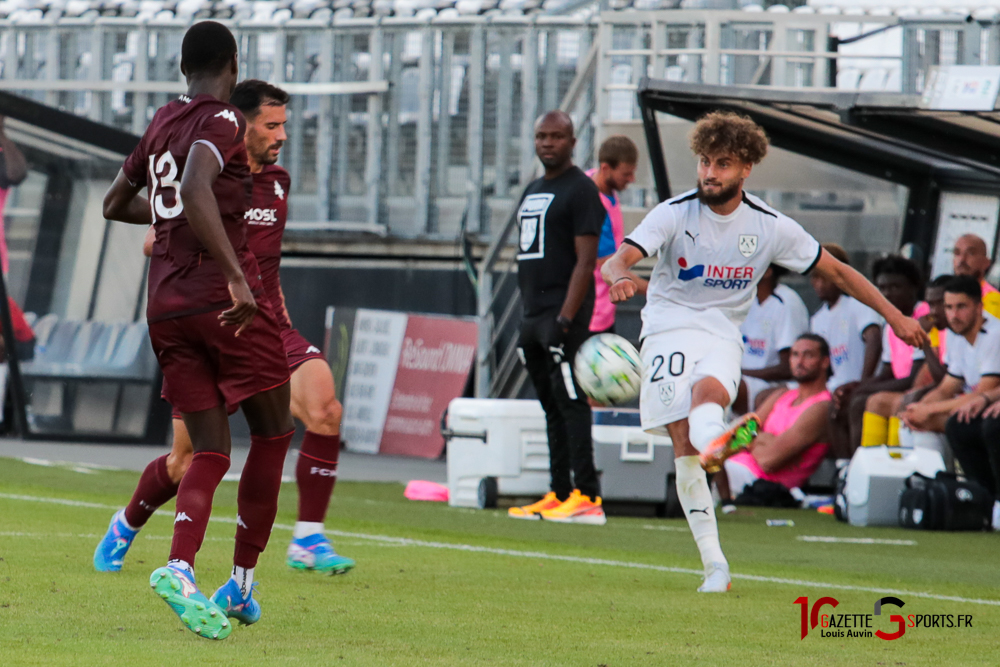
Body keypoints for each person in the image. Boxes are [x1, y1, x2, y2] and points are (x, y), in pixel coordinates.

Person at [601, 111, 926, 593]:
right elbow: (617, 259)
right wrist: (619, 277)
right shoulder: (673, 212)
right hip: (667, 328)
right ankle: (716, 562)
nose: (710, 173)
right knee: (683, 447)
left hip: (722, 331)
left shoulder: (770, 225)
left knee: (707, 398)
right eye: (705, 162)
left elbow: (838, 272)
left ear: (746, 167)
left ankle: (716, 443)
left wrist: (894, 317)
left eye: (724, 163)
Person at [94, 80, 354, 578]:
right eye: (271, 125)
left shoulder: (278, 180)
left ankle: (308, 539)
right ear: (241, 123)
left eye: (284, 126)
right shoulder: (207, 174)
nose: (280, 136)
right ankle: (125, 525)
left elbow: (269, 262)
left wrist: (279, 317)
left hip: (266, 325)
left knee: (324, 407)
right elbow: (155, 239)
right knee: (185, 459)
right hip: (211, 318)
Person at [100, 22, 296, 640]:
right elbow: (192, 186)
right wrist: (239, 278)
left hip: (164, 306)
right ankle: (239, 584)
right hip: (221, 300)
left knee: (208, 451)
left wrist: (165, 221)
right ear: (233, 63)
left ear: (184, 66)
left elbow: (115, 203)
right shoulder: (224, 122)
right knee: (272, 433)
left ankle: (180, 568)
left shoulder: (161, 121)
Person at [507, 110, 607, 525]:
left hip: (561, 316)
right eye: (541, 136)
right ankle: (560, 491)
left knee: (571, 403)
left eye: (556, 136)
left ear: (572, 141)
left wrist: (566, 320)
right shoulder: (533, 189)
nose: (547, 143)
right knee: (549, 405)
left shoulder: (582, 190)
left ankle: (587, 496)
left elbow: (586, 262)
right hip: (532, 313)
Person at [717, 334, 832, 502]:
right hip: (734, 468)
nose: (799, 361)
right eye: (795, 354)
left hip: (764, 484)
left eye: (808, 355)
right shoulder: (781, 394)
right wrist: (767, 440)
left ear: (825, 362)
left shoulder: (821, 406)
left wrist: (753, 438)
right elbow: (737, 436)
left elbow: (769, 461)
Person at [838, 255, 926, 452]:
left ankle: (870, 463)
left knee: (863, 401)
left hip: (919, 388)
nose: (887, 294)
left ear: (913, 287)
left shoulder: (924, 317)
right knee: (848, 400)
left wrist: (864, 390)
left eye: (895, 287)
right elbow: (887, 371)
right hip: (900, 386)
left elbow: (913, 378)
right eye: (882, 288)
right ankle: (850, 467)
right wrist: (858, 386)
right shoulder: (891, 322)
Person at [902, 276, 1000, 451]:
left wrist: (930, 410)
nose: (953, 315)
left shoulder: (994, 335)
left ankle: (947, 476)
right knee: (913, 418)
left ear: (979, 307)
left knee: (938, 421)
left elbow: (983, 393)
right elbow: (947, 388)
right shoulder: (956, 334)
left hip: (989, 410)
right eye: (949, 307)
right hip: (971, 407)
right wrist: (919, 408)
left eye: (961, 307)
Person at [861, 274, 951, 448]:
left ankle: (900, 461)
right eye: (930, 304)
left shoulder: (951, 331)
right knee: (875, 401)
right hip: (941, 391)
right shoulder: (939, 330)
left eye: (939, 304)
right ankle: (872, 461)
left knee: (904, 405)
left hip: (957, 397)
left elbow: (942, 379)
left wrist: (924, 342)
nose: (933, 312)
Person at [586, 135, 646, 335]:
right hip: (591, 316)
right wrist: (652, 288)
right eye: (626, 174)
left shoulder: (601, 185)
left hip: (603, 311)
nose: (632, 179)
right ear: (605, 169)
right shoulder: (592, 206)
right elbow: (608, 266)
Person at [734, 264, 809, 414]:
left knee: (729, 384)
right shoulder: (745, 302)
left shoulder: (786, 302)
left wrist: (740, 373)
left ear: (767, 271)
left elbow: (788, 368)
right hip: (746, 379)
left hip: (773, 384)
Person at [951, 233, 1000, 319]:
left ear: (986, 263)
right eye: (957, 253)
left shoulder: (996, 303)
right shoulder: (937, 298)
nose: (962, 259)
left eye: (971, 253)